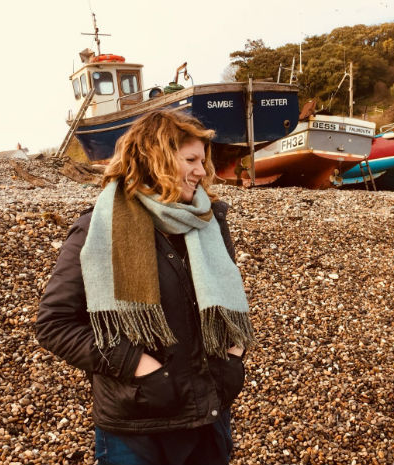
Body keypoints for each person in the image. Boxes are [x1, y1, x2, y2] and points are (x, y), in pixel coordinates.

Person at [36, 109, 255, 465]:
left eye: (203, 160)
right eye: (191, 160)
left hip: (208, 415)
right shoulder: (98, 229)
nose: (202, 171)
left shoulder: (209, 223)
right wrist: (141, 367)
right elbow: (54, 324)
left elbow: (229, 304)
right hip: (136, 428)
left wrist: (233, 358)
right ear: (156, 159)